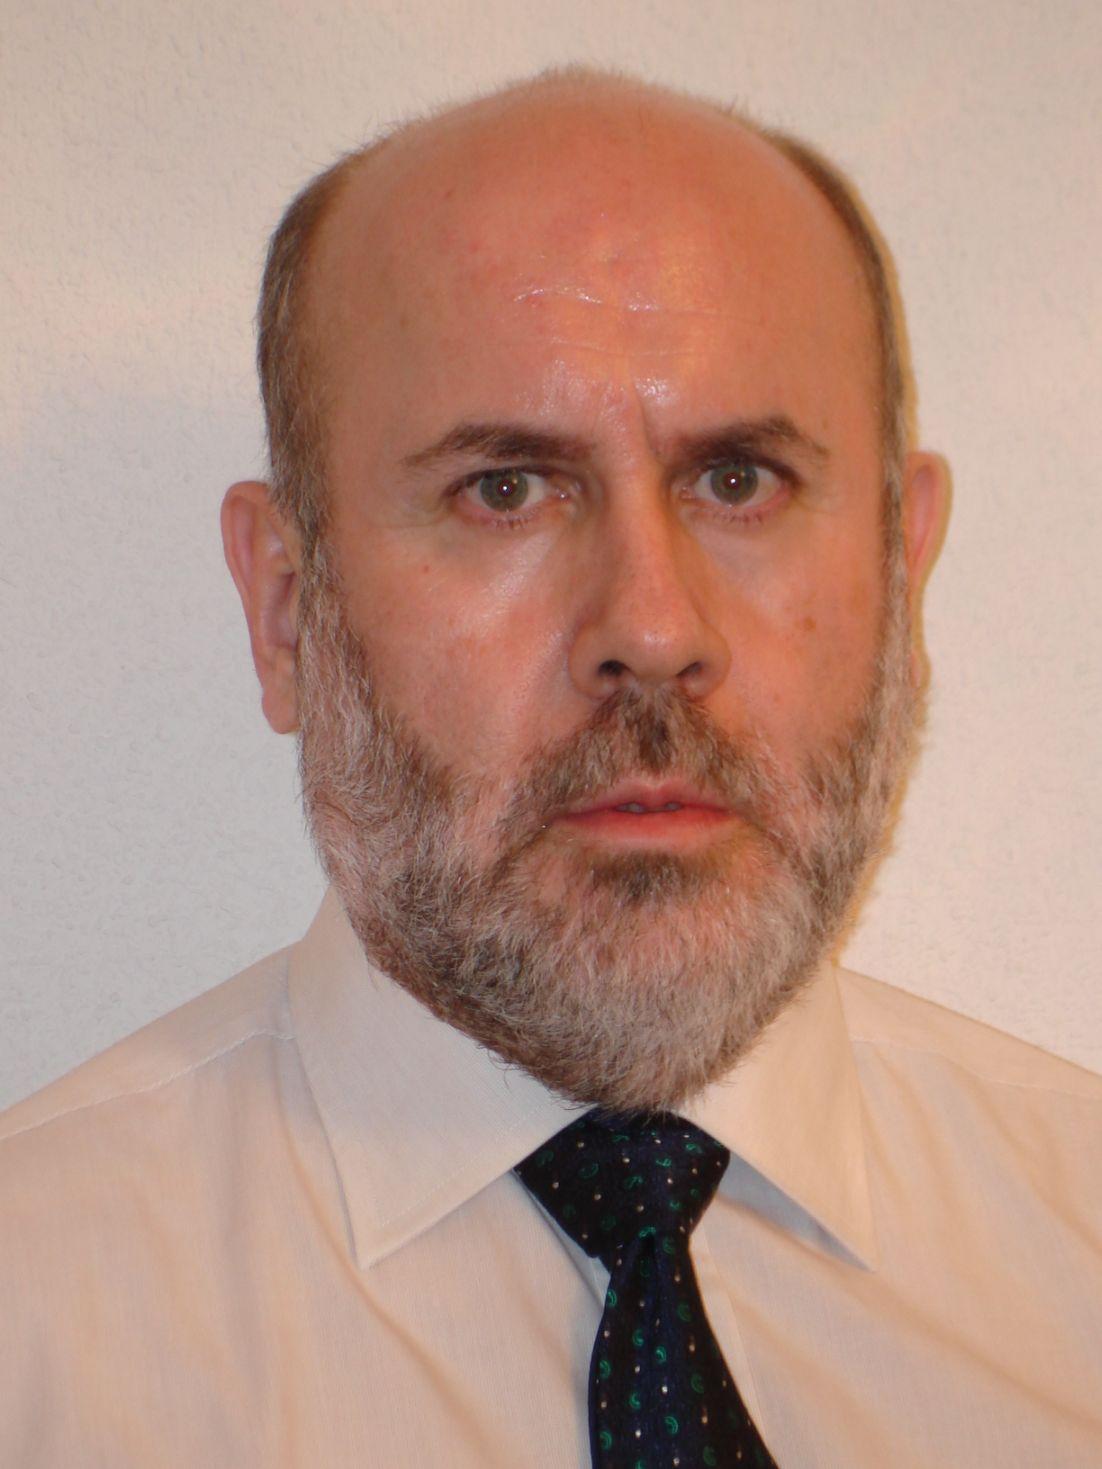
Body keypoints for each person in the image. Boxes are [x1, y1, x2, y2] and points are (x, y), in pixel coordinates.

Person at [1, 68, 1099, 1468]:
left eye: (740, 480)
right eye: (505, 489)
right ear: (285, 609)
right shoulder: (37, 1346)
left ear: (900, 566)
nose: (652, 627)